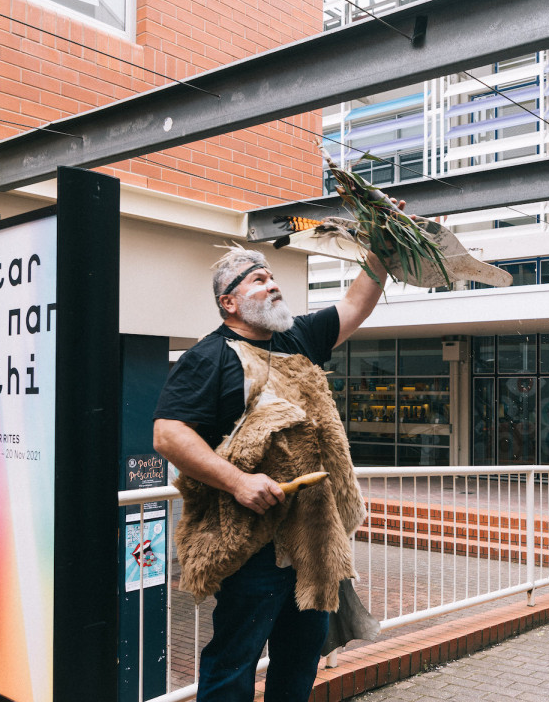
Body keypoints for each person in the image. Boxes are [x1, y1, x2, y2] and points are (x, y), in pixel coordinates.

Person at [152, 243, 394, 702]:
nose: (274, 284)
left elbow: (355, 303)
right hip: (252, 545)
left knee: (300, 660)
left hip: (314, 540)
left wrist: (380, 254)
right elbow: (168, 434)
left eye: (273, 277)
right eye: (259, 280)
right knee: (234, 661)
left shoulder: (297, 338)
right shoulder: (210, 356)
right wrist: (238, 481)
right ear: (230, 302)